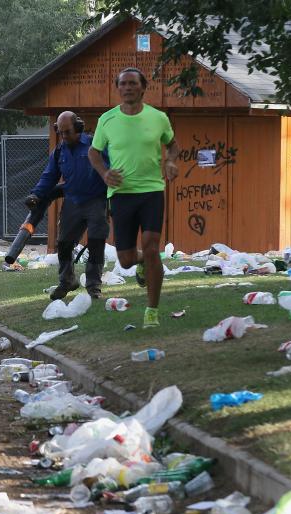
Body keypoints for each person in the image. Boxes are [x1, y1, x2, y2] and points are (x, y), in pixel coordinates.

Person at [88, 67, 179, 328]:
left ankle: (152, 310)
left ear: (142, 87)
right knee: (126, 260)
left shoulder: (158, 117)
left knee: (152, 247)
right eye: (123, 84)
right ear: (118, 89)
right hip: (121, 194)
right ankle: (141, 263)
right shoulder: (107, 120)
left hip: (151, 191)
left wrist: (171, 162)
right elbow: (94, 153)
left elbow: (172, 145)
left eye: (132, 83)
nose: (127, 88)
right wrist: (104, 174)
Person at [27, 111, 109, 300]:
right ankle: (67, 281)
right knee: (63, 244)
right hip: (72, 202)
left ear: (78, 128)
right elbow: (49, 176)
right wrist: (35, 194)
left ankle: (94, 287)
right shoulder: (59, 152)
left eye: (68, 132)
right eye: (61, 132)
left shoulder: (93, 146)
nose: (64, 136)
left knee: (96, 243)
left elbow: (109, 167)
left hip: (96, 200)